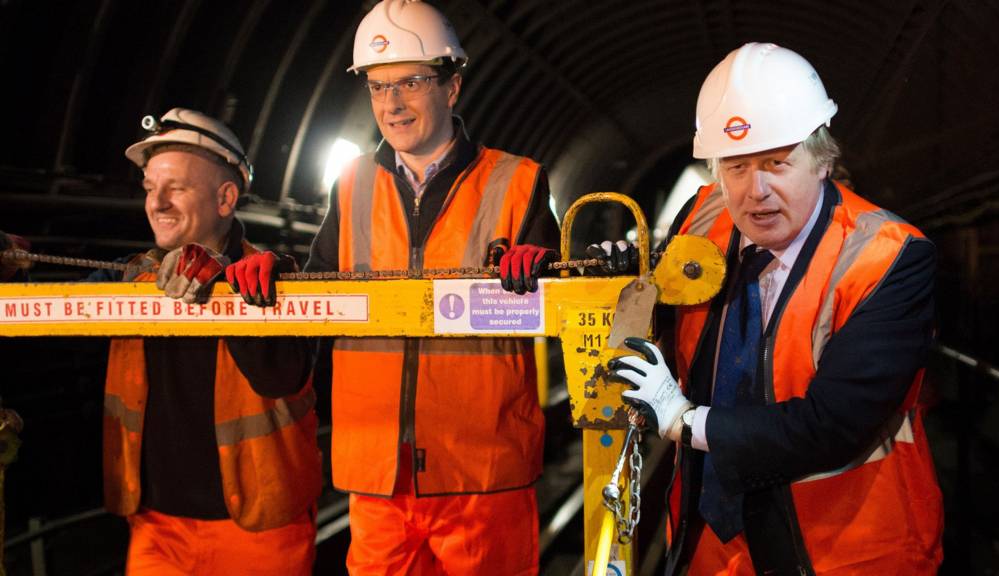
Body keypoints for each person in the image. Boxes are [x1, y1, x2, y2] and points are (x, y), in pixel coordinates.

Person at [227, 1, 560, 573]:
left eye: (410, 82)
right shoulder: (352, 183)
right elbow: (319, 297)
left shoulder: (517, 180)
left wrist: (546, 273)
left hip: (481, 476)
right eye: (379, 88)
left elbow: (561, 308)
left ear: (451, 86)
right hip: (377, 475)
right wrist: (275, 276)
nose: (392, 104)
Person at [607, 43, 944, 575]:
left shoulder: (887, 259)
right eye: (736, 167)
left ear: (823, 159)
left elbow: (829, 426)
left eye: (777, 163)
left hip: (844, 550)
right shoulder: (700, 221)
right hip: (713, 547)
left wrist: (682, 420)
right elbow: (664, 313)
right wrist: (620, 274)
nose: (755, 192)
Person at [92, 108, 320, 575]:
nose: (158, 203)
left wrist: (224, 280)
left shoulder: (273, 277)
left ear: (225, 198)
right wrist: (16, 265)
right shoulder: (132, 277)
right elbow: (48, 306)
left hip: (259, 529)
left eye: (176, 187)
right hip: (156, 529)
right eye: (151, 189)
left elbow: (281, 376)